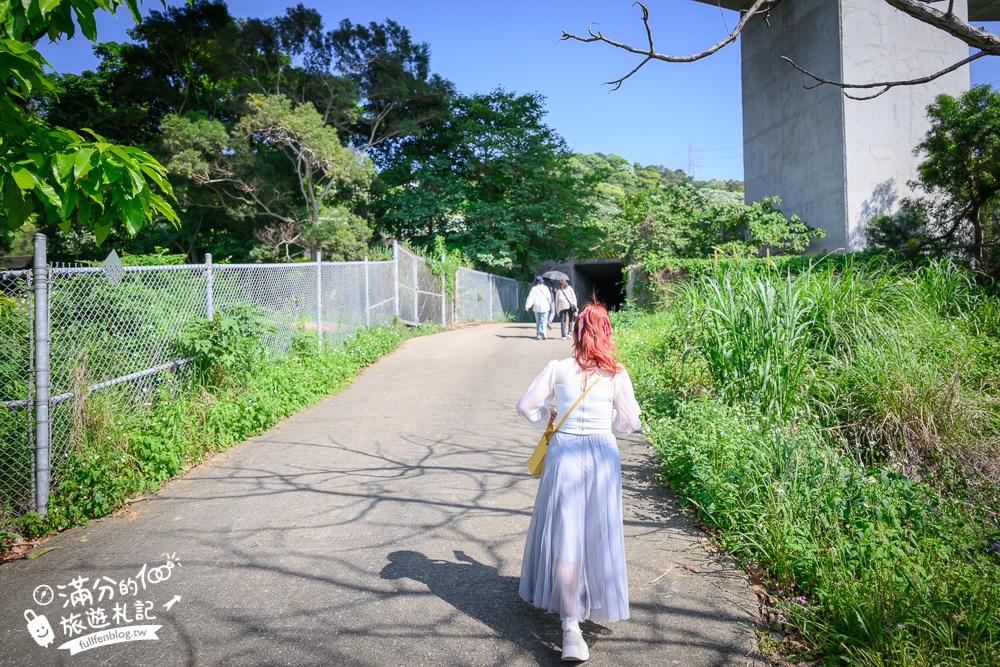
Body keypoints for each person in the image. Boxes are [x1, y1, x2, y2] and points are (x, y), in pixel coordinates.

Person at [515, 302, 642, 662]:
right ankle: (592, 598)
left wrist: (547, 414)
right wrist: (607, 421)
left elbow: (526, 407)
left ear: (576, 333)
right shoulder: (616, 374)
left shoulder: (557, 368)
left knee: (566, 532)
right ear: (607, 335)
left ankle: (571, 627)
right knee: (598, 530)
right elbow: (630, 424)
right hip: (602, 454)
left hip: (565, 453)